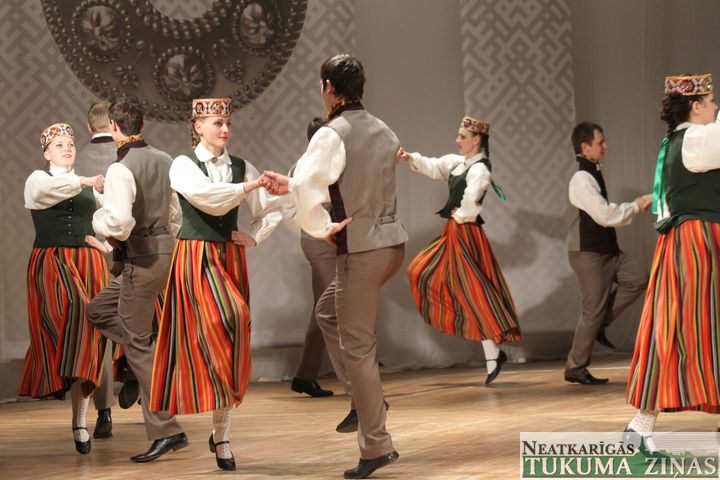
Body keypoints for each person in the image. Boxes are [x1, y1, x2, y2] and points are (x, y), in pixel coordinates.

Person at [262, 53, 407, 479]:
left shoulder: (331, 133)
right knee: (328, 312)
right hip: (391, 244)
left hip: (361, 250)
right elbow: (348, 180)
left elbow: (312, 187)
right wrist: (292, 184)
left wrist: (321, 226)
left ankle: (376, 443)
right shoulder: (382, 127)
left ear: (328, 87)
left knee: (358, 349)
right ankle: (365, 402)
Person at [149, 97, 282, 471]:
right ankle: (217, 430)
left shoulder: (241, 166)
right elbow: (209, 200)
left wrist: (256, 235)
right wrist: (248, 187)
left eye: (228, 123)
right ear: (197, 127)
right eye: (217, 123)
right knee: (225, 320)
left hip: (228, 257)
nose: (225, 129)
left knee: (234, 333)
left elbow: (271, 208)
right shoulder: (183, 165)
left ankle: (221, 434)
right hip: (196, 258)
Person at [86, 97, 187, 463]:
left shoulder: (121, 168)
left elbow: (119, 223)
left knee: (138, 345)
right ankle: (146, 346)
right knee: (97, 310)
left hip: (141, 260)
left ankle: (167, 430)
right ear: (142, 124)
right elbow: (175, 212)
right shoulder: (165, 159)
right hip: (164, 255)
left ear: (113, 126)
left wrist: (98, 217)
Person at [625, 74, 720, 447]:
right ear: (696, 107)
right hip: (698, 242)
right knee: (682, 325)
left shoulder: (685, 140)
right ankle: (640, 423)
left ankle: (641, 424)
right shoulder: (697, 139)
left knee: (687, 325)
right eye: (711, 102)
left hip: (690, 240)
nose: (715, 108)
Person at [397, 116, 521, 385]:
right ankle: (492, 353)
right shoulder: (460, 163)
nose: (458, 140)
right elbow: (435, 166)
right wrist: (409, 158)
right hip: (454, 232)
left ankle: (492, 355)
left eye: (463, 137)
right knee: (427, 273)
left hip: (466, 233)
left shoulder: (480, 170)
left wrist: (462, 214)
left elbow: (473, 198)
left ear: (477, 140)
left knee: (473, 292)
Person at [18, 122, 108, 454]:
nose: (67, 148)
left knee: (90, 335)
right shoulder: (37, 179)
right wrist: (84, 181)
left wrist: (106, 244)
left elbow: (109, 219)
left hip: (88, 263)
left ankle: (80, 420)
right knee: (70, 322)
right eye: (59, 145)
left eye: (70, 144)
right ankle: (59, 376)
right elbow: (44, 193)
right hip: (53, 262)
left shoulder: (90, 188)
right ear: (46, 153)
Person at [564, 122, 651, 385]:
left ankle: (598, 325)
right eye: (600, 142)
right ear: (585, 147)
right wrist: (635, 206)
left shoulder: (593, 172)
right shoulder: (581, 178)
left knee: (638, 278)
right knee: (592, 311)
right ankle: (575, 368)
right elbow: (604, 214)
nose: (605, 146)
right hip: (588, 253)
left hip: (607, 250)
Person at [74, 100, 118, 438]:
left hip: (89, 254)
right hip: (129, 249)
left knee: (96, 331)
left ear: (89, 127)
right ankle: (135, 379)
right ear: (114, 124)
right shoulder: (129, 155)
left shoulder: (73, 161)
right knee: (139, 319)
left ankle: (103, 412)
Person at [290, 116, 335, 398]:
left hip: (321, 239)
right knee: (331, 308)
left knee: (325, 308)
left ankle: (305, 376)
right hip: (321, 240)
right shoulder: (313, 165)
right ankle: (358, 375)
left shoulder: (311, 163)